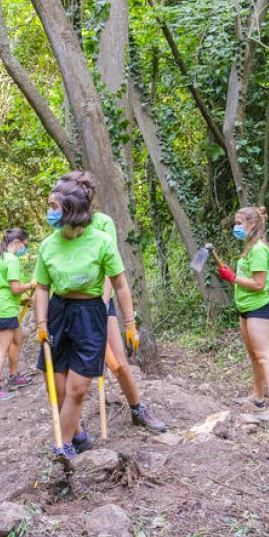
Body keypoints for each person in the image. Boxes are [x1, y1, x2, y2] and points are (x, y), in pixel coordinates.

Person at [33, 172, 140, 459]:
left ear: (70, 210)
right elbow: (42, 287)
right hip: (58, 313)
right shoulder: (48, 245)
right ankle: (77, 435)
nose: (49, 212)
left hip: (90, 315)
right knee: (57, 388)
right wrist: (41, 323)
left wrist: (130, 325)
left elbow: (120, 284)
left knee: (78, 389)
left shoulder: (101, 241)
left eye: (54, 207)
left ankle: (62, 447)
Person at [73, 175, 166, 431]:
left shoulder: (104, 224)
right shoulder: (64, 227)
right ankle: (75, 428)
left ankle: (138, 409)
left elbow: (110, 271)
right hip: (73, 308)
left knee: (119, 363)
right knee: (79, 370)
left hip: (101, 303)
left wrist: (102, 305)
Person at [216, 206, 269, 422]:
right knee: (254, 355)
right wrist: (231, 274)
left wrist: (232, 277)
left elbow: (259, 284)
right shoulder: (249, 247)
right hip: (244, 308)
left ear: (251, 224)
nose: (236, 227)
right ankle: (258, 397)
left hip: (258, 308)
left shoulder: (259, 250)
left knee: (264, 356)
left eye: (238, 223)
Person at [0, 228, 35, 403]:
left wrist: (22, 301)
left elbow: (3, 287)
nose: (25, 250)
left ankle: (13, 377)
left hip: (1, 306)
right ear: (17, 242)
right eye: (25, 245)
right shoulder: (11, 260)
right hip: (3, 309)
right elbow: (14, 288)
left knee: (18, 339)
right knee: (1, 349)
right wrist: (31, 284)